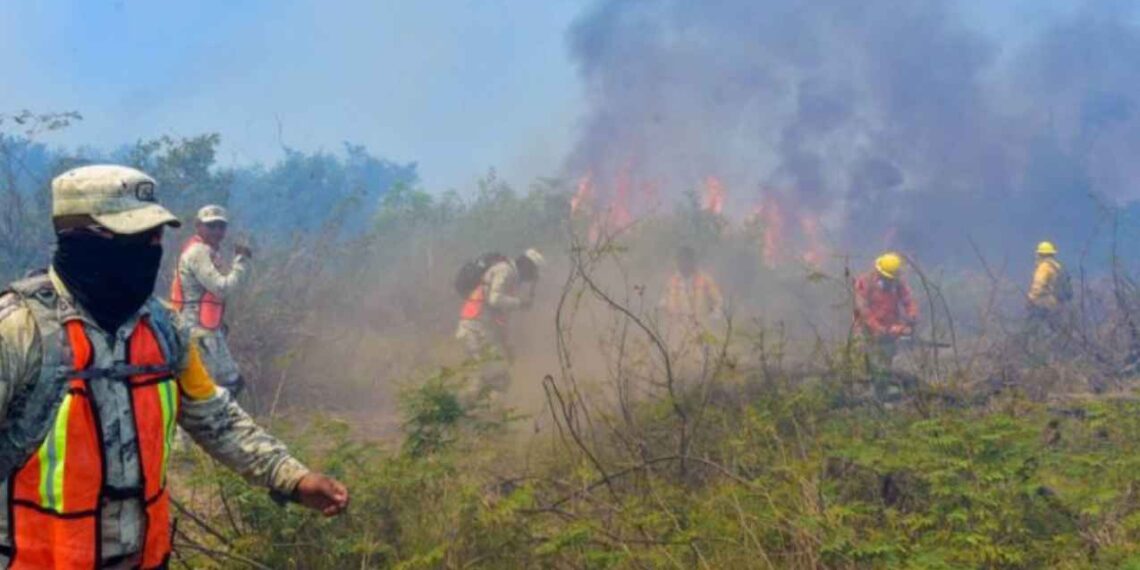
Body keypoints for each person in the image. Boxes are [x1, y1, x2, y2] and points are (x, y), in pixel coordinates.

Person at [0, 165, 348, 568]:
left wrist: (290, 476)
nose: (151, 247)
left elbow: (215, 418)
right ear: (80, 238)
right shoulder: (19, 331)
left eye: (155, 236)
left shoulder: (166, 329)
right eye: (134, 237)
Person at [170, 204, 250, 396]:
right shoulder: (198, 252)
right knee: (206, 391)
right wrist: (241, 262)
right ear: (198, 226)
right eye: (211, 226)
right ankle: (210, 425)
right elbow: (222, 288)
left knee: (231, 383)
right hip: (197, 333)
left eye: (221, 226)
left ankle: (223, 423)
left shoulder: (207, 251)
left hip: (209, 331)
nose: (217, 231)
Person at [455, 249, 545, 395]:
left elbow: (499, 318)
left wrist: (506, 345)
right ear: (528, 267)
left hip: (477, 328)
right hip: (475, 329)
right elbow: (495, 299)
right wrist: (520, 303)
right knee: (492, 378)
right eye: (533, 273)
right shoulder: (506, 271)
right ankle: (465, 413)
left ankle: (472, 413)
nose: (531, 279)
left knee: (488, 378)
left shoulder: (510, 277)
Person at [853, 252, 919, 369]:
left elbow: (908, 301)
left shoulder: (897, 283)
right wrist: (882, 329)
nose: (891, 282)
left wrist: (912, 316)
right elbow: (864, 312)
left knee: (886, 364)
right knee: (864, 363)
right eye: (888, 279)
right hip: (866, 332)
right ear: (879, 274)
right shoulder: (865, 283)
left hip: (889, 331)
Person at [659, 246, 724, 336]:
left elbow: (718, 301)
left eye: (686, 260)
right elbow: (664, 302)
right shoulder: (672, 281)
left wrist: (714, 317)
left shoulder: (705, 280)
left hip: (701, 331)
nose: (683, 263)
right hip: (678, 334)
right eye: (681, 260)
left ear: (693, 261)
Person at [1026, 241, 1070, 320]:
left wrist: (1030, 299)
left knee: (1033, 327)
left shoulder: (1044, 267)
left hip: (1045, 304)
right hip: (1059, 304)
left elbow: (1038, 286)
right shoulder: (1057, 267)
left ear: (1041, 254)